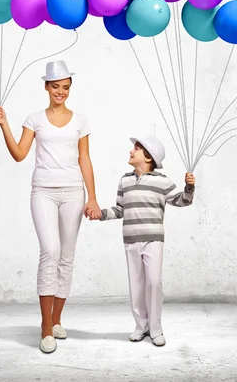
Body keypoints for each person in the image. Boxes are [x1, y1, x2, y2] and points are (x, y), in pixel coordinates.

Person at [0, 60, 101, 354]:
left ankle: (56, 320)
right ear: (46, 87)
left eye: (65, 87)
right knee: (50, 251)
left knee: (66, 256)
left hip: (73, 192)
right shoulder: (35, 119)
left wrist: (92, 197)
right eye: (55, 87)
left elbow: (85, 160)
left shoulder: (81, 121)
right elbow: (19, 154)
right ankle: (44, 327)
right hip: (43, 191)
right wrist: (5, 125)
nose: (60, 92)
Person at [94, 135, 195, 347]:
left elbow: (182, 201)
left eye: (136, 148)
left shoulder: (162, 181)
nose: (131, 151)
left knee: (154, 282)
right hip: (131, 241)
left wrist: (189, 188)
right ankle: (141, 326)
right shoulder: (125, 180)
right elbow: (120, 209)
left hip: (153, 240)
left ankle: (156, 329)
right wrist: (100, 213)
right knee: (137, 286)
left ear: (148, 157)